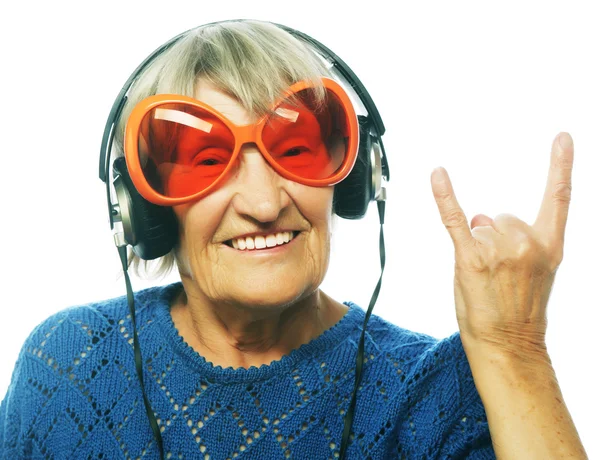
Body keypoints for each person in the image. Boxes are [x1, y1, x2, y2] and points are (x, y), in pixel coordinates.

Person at [0, 19, 587, 459]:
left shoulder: (432, 391)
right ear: (143, 207)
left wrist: (516, 352)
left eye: (296, 149)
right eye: (208, 159)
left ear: (355, 179)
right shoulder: (69, 367)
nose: (264, 203)